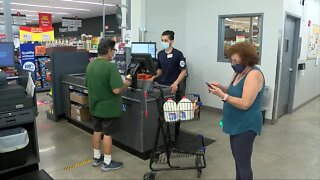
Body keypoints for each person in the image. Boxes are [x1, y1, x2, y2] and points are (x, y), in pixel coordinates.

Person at [208, 42, 265, 180]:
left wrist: (223, 96)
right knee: (238, 160)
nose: (232, 64)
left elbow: (245, 103)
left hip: (246, 124)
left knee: (243, 163)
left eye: (235, 61)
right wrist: (221, 87)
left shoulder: (254, 75)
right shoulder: (238, 72)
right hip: (235, 123)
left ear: (246, 60)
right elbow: (233, 90)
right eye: (231, 60)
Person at [85, 38, 131, 172]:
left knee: (97, 131)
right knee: (108, 134)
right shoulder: (110, 66)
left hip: (95, 106)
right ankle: (107, 162)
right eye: (114, 50)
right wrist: (127, 84)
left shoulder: (91, 65)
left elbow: (87, 85)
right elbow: (116, 89)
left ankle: (96, 158)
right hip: (109, 109)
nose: (114, 53)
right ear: (109, 50)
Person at [150, 30, 187, 136]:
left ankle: (175, 134)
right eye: (162, 40)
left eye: (165, 40)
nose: (163, 42)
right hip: (163, 86)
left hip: (174, 87)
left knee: (174, 112)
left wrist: (175, 83)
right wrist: (153, 77)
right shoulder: (160, 54)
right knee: (164, 110)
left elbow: (183, 71)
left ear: (172, 41)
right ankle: (164, 134)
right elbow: (160, 70)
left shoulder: (178, 54)